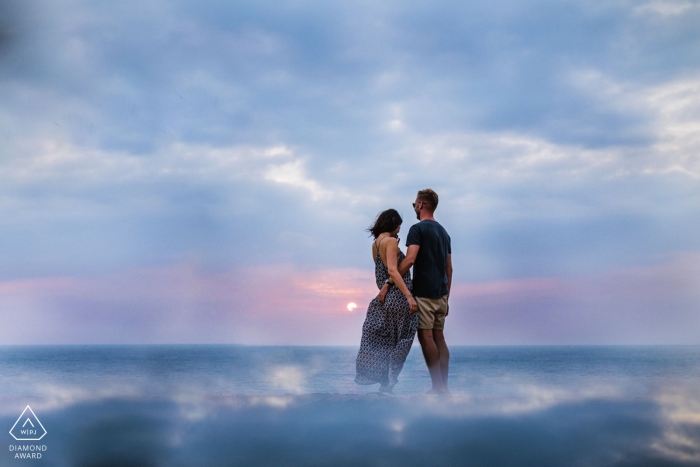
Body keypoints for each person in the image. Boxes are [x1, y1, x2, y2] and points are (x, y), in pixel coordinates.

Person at [378, 189, 452, 393]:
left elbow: (410, 260)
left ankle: (438, 388)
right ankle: (443, 386)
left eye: (414, 205)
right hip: (442, 294)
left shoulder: (417, 229)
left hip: (425, 293)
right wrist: (447, 298)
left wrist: (389, 282)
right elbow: (449, 268)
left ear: (420, 205)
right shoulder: (444, 233)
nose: (414, 208)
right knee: (440, 338)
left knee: (426, 337)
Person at [355, 209, 418, 393]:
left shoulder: (375, 244)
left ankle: (384, 384)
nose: (399, 231)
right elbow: (392, 270)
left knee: (388, 343)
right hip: (399, 297)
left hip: (387, 299)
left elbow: (382, 273)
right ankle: (389, 383)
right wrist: (408, 296)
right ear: (394, 224)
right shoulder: (390, 242)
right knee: (403, 340)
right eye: (399, 227)